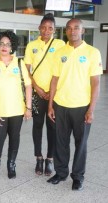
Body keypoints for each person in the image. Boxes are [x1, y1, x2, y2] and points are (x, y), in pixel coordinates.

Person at [47, 18, 102, 191]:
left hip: (82, 106)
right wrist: (50, 105)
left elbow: (96, 83)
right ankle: (61, 173)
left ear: (82, 30)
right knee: (60, 142)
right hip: (61, 105)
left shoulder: (93, 52)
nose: (72, 31)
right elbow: (54, 80)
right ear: (66, 31)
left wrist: (91, 109)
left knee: (81, 144)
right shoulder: (59, 52)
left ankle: (78, 177)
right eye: (69, 28)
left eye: (76, 28)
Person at [24, 13, 65, 176]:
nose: (46, 31)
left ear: (54, 30)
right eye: (44, 27)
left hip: (55, 94)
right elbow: (27, 70)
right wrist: (38, 88)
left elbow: (63, 69)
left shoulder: (61, 44)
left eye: (50, 28)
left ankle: (49, 159)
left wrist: (50, 92)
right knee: (37, 126)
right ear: (39, 28)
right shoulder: (31, 45)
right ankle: (39, 158)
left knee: (53, 128)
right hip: (37, 93)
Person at [0, 30, 32, 179]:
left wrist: (28, 108)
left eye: (8, 44)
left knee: (14, 138)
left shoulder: (19, 63)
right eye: (1, 44)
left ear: (12, 46)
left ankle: (11, 164)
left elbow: (28, 86)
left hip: (17, 110)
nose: (4, 46)